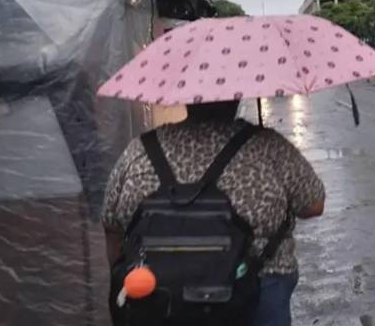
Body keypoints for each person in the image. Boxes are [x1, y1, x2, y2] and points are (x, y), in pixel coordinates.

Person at [102, 100, 325, 326]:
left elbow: (111, 223)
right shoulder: (268, 145)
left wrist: (120, 270)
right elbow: (314, 205)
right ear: (236, 100)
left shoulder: (140, 150)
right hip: (256, 287)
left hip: (156, 290)